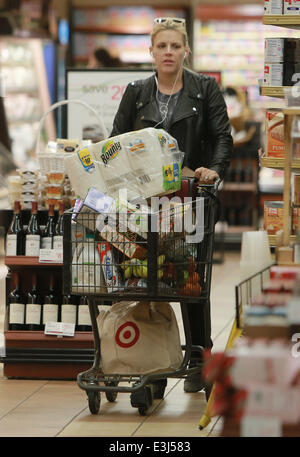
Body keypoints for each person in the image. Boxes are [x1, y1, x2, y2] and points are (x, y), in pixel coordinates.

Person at [110, 17, 233, 394]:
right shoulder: (136, 92)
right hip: (144, 208)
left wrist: (212, 171)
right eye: (161, 46)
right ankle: (156, 363)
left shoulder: (205, 89)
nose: (168, 52)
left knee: (191, 279)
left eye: (175, 46)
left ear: (185, 50)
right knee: (149, 281)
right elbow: (116, 140)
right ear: (151, 51)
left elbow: (222, 138)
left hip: (190, 201)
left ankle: (200, 358)